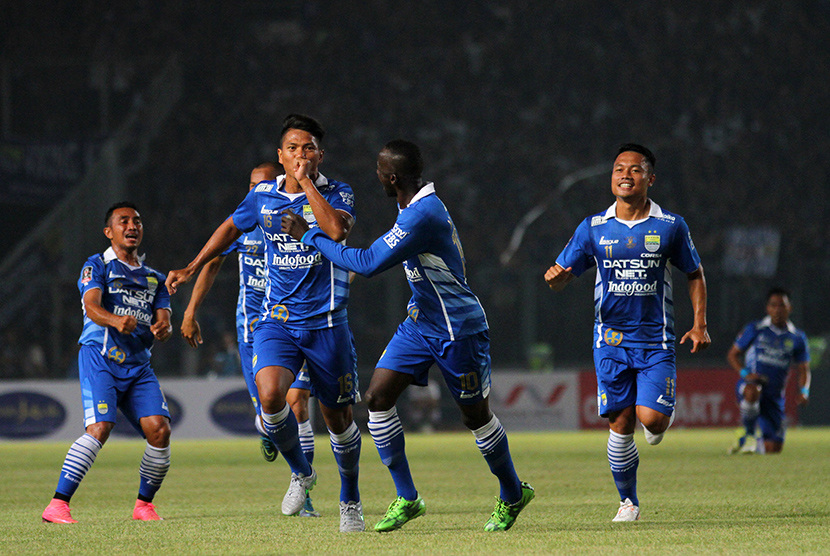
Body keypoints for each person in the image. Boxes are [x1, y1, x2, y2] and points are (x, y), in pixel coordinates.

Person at [281, 139, 535, 533]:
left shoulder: (423, 215)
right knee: (378, 398)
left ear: (392, 177)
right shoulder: (410, 206)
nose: (377, 177)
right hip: (420, 323)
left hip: (457, 328)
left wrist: (309, 236)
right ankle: (407, 496)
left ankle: (512, 492)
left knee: (476, 418)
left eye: (381, 172)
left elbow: (366, 264)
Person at [166, 114, 364, 533]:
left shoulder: (339, 192)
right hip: (277, 319)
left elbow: (336, 232)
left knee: (338, 420)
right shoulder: (262, 197)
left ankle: (350, 500)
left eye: (307, 148)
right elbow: (226, 230)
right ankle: (302, 473)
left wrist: (307, 184)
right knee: (271, 395)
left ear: (319, 155)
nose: (299, 155)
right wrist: (190, 266)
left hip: (327, 323)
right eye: (292, 148)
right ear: (280, 154)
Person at [544, 143, 710, 522]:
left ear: (650, 178)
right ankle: (628, 502)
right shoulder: (593, 227)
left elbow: (695, 273)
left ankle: (657, 418)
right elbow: (561, 276)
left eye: (635, 169)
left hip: (656, 340)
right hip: (610, 340)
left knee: (650, 420)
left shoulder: (670, 226)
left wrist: (699, 323)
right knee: (620, 421)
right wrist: (555, 280)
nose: (625, 175)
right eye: (619, 168)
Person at [180, 162, 320, 516]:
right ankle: (266, 426)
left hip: (293, 322)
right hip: (253, 330)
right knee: (270, 412)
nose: (255, 191)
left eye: (262, 185)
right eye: (250, 185)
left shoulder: (292, 221)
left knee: (299, 404)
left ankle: (303, 491)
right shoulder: (243, 225)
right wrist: (190, 312)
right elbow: (212, 263)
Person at [42, 202, 173, 524]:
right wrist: (116, 320)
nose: (132, 226)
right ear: (108, 231)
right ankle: (57, 505)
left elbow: (164, 322)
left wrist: (163, 328)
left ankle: (144, 505)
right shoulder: (97, 265)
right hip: (101, 356)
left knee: (160, 430)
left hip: (139, 365)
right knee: (100, 428)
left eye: (137, 221)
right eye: (123, 221)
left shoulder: (154, 279)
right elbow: (91, 306)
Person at [727, 287, 810, 455]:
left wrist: (804, 391)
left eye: (782, 305)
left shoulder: (797, 337)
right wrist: (745, 374)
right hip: (751, 385)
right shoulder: (756, 329)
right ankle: (750, 434)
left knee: (773, 450)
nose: (777, 310)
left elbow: (804, 370)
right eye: (773, 305)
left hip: (774, 395)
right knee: (752, 391)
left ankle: (746, 440)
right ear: (767, 308)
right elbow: (733, 355)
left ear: (790, 308)